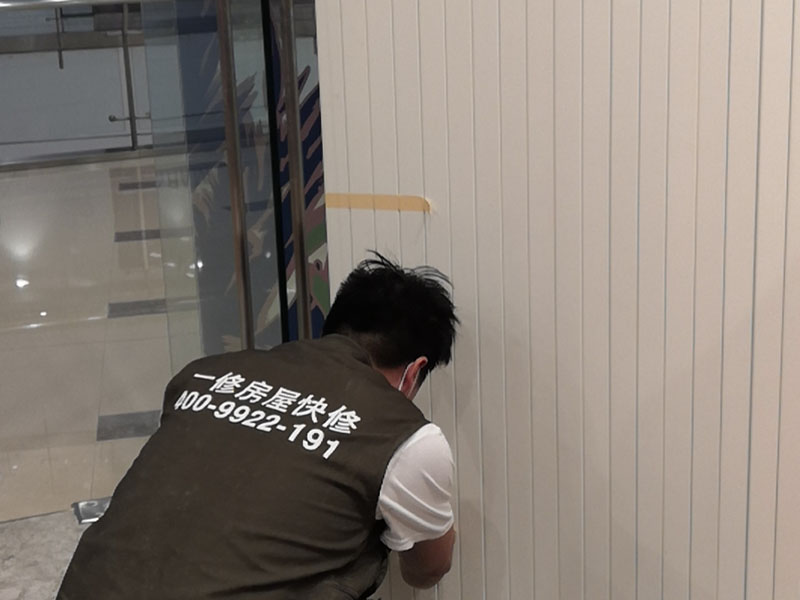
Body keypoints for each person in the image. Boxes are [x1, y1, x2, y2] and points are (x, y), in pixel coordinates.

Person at [58, 253, 459, 600]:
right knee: (368, 543)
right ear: (414, 372)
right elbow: (426, 570)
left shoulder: (202, 375)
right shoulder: (406, 437)